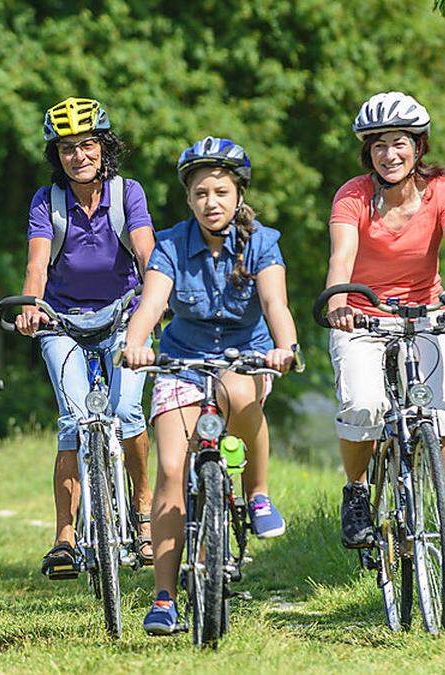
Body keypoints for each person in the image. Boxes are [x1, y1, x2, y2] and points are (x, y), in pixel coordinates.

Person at [122, 137, 299, 635]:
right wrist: (136, 344)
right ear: (188, 199)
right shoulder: (172, 245)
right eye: (200, 193)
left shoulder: (262, 242)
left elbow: (274, 305)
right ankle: (163, 598)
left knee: (242, 396)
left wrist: (285, 347)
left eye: (220, 191)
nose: (211, 202)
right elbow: (152, 304)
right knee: (172, 471)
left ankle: (258, 492)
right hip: (180, 360)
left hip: (246, 355)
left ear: (238, 194)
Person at [321, 91, 445, 569]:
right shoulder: (353, 195)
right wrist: (338, 304)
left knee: (439, 415)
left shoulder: (443, 192)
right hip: (363, 315)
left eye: (399, 142)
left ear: (418, 146)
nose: (389, 154)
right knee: (364, 406)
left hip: (424, 313)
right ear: (367, 153)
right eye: (378, 145)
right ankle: (357, 491)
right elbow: (341, 257)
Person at [15, 97, 156, 576]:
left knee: (128, 411)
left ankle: (142, 517)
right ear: (57, 156)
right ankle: (65, 537)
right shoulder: (46, 202)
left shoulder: (127, 193)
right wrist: (31, 306)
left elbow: (144, 252)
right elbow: (37, 265)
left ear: (105, 147)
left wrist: (156, 306)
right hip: (61, 321)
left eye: (88, 145)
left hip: (124, 317)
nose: (79, 156)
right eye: (67, 148)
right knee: (74, 421)